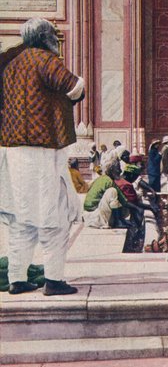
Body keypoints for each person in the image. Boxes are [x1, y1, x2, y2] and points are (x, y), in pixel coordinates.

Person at [0, 17, 84, 296]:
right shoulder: (45, 60)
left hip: (13, 151)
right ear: (45, 37)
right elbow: (74, 87)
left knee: (22, 220)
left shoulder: (12, 64)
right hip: (43, 150)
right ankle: (54, 280)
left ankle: (17, 279)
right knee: (55, 218)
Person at [83, 156, 136, 229]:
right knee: (112, 192)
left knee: (116, 200)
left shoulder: (103, 178)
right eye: (118, 169)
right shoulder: (108, 181)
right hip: (95, 217)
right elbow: (124, 201)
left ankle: (119, 221)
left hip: (90, 216)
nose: (120, 171)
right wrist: (137, 208)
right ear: (112, 170)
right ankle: (118, 222)